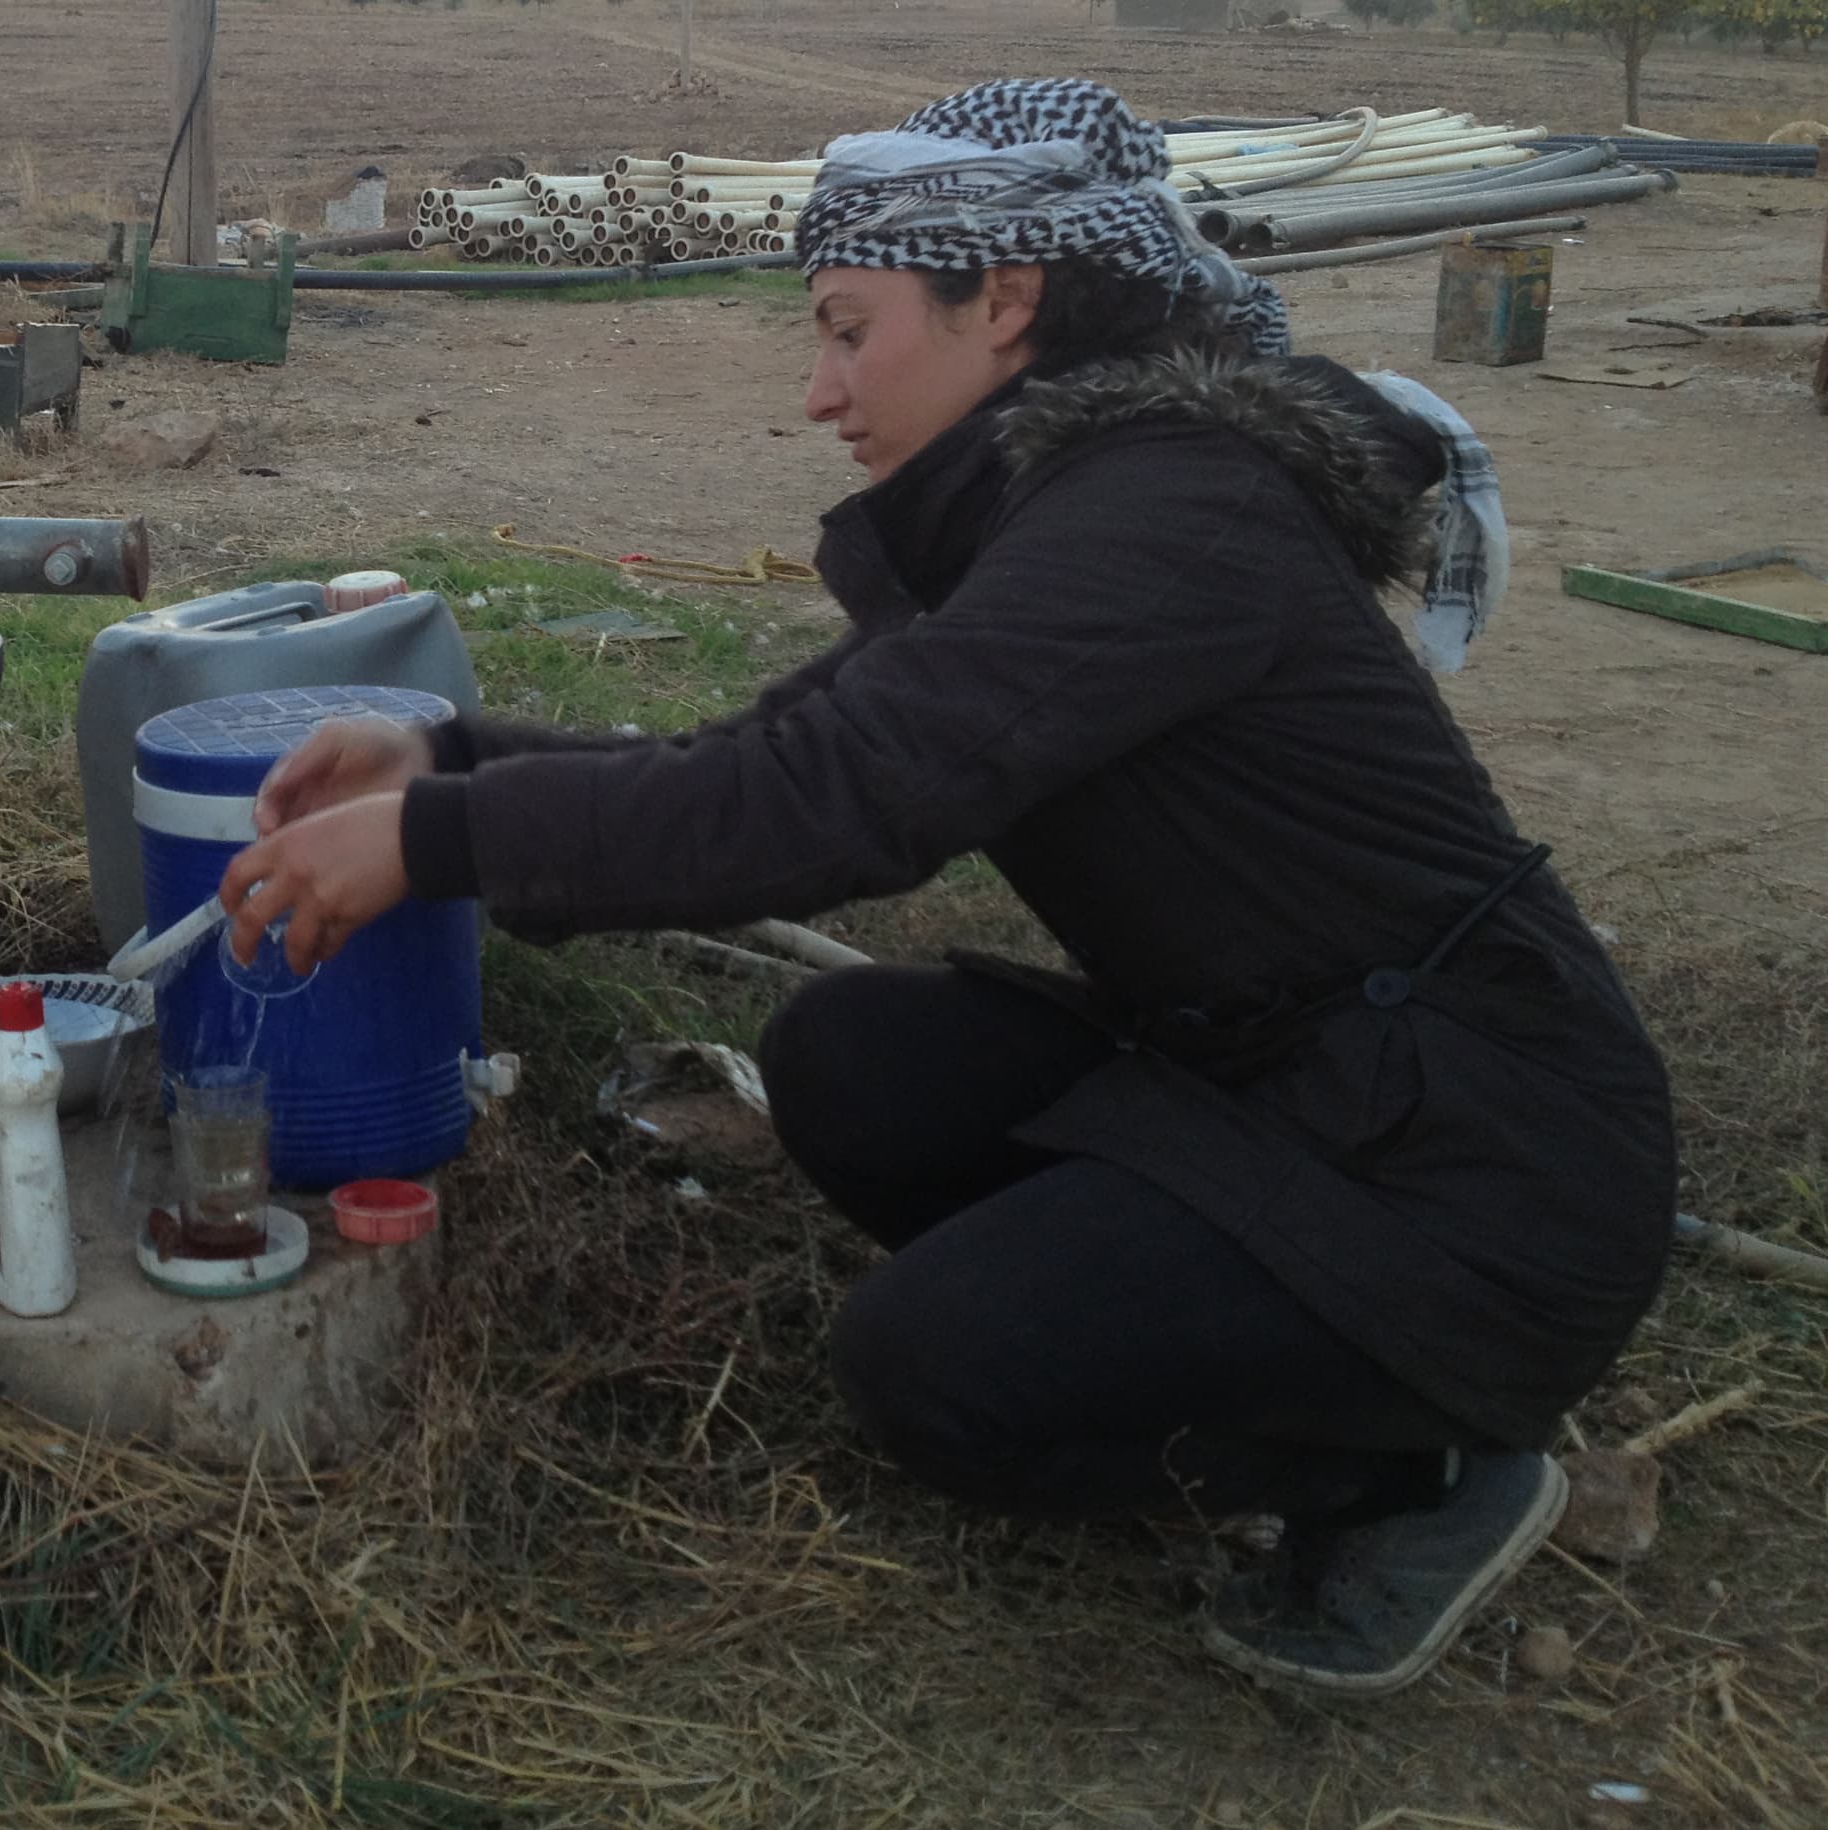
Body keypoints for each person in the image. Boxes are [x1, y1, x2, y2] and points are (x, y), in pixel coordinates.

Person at [217, 78, 1675, 1697]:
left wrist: (434, 848)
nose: (820, 391)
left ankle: (1418, 1463)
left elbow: (835, 800)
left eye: (848, 329)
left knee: (936, 1372)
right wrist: (456, 765)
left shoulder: (1165, 514)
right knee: (850, 1053)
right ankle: (1227, 1342)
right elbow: (787, 745)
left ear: (1005, 300)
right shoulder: (1071, 495)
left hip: (1474, 1165)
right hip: (1292, 1088)